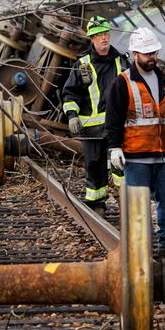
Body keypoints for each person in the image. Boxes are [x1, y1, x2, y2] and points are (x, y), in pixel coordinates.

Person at [105, 26, 165, 254]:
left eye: (154, 52)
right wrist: (114, 148)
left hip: (163, 155)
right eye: (147, 53)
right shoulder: (123, 83)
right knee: (138, 206)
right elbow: (113, 119)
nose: (152, 57)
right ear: (135, 55)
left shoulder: (164, 81)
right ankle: (138, 249)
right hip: (137, 156)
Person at [61, 15, 125, 210]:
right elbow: (70, 93)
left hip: (117, 127)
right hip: (91, 128)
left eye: (105, 34)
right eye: (99, 35)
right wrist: (72, 116)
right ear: (92, 39)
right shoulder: (83, 65)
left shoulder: (121, 61)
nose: (104, 38)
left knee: (121, 166)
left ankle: (127, 202)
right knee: (95, 165)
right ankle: (97, 204)